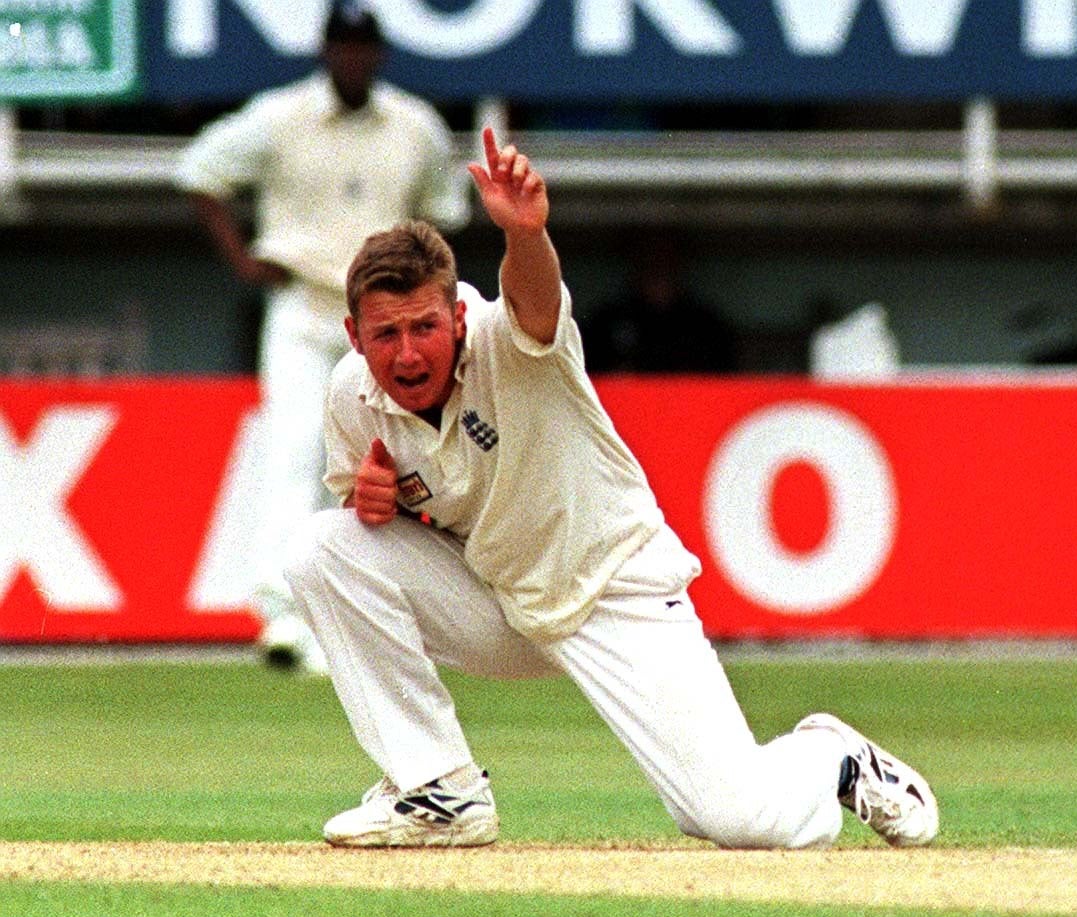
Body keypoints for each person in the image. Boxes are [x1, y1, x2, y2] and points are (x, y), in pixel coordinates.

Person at [283, 127, 940, 850]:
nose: (407, 353)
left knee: (737, 818)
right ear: (353, 335)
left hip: (610, 588)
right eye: (386, 335)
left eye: (425, 327)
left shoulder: (512, 343)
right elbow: (371, 518)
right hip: (499, 599)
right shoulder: (352, 395)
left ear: (459, 317)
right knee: (322, 547)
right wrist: (372, 502)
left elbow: (533, 301)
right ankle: (439, 790)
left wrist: (527, 235)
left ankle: (830, 756)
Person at [176, 1, 469, 674]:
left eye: (364, 48)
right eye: (344, 46)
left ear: (379, 54)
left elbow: (445, 213)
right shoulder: (281, 117)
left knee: (397, 462)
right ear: (326, 50)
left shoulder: (414, 127)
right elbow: (200, 172)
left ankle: (378, 615)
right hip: (305, 310)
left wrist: (426, 301)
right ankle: (281, 614)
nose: (354, 59)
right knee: (296, 451)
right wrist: (245, 260)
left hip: (385, 325)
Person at [584, 233, 738, 373]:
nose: (658, 264)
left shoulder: (706, 325)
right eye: (649, 256)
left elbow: (726, 380)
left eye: (666, 257)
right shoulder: (606, 323)